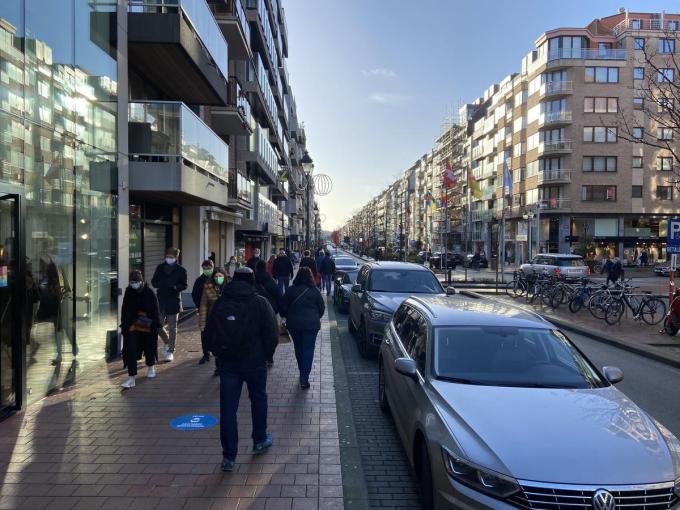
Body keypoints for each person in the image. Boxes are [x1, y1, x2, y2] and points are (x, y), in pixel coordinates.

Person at [204, 267, 278, 472]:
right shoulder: (260, 302)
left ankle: (229, 456)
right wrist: (266, 356)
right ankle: (259, 439)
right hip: (255, 363)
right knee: (258, 399)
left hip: (228, 363)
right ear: (252, 280)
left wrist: (219, 354)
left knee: (228, 409)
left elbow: (209, 333)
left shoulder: (221, 302)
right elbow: (272, 334)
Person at [282, 267, 325, 389]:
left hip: (294, 324)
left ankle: (302, 371)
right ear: (310, 277)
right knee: (308, 350)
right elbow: (321, 308)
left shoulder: (290, 291)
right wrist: (315, 316)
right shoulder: (315, 291)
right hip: (311, 325)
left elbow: (282, 306)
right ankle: (304, 377)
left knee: (298, 348)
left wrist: (287, 315)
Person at [120, 270, 161, 389]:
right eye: (132, 282)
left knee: (149, 346)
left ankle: (151, 366)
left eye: (136, 282)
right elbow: (125, 309)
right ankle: (131, 377)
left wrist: (155, 324)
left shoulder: (149, 293)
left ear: (142, 281)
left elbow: (155, 310)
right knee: (130, 349)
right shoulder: (128, 292)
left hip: (148, 325)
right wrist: (125, 325)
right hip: (132, 325)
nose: (134, 284)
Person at [151, 247, 187, 362]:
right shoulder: (160, 268)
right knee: (158, 325)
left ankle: (171, 350)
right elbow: (153, 281)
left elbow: (184, 285)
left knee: (172, 327)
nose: (168, 259)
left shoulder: (181, 270)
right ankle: (167, 342)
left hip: (173, 300)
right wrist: (160, 284)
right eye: (167, 257)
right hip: (160, 300)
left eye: (171, 257)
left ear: (176, 258)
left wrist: (175, 287)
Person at [255, 260, 282, 368]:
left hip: (255, 312)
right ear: (265, 268)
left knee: (256, 334)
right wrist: (280, 311)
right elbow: (278, 296)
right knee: (270, 334)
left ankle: (258, 355)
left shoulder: (253, 281)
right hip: (270, 312)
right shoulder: (270, 281)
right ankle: (269, 356)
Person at [198, 267, 227, 369]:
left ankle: (222, 365)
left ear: (224, 276)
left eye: (220, 276)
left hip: (226, 321)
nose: (218, 278)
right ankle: (218, 367)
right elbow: (203, 305)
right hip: (213, 320)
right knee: (216, 343)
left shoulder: (229, 287)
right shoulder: (208, 288)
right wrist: (202, 323)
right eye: (216, 276)